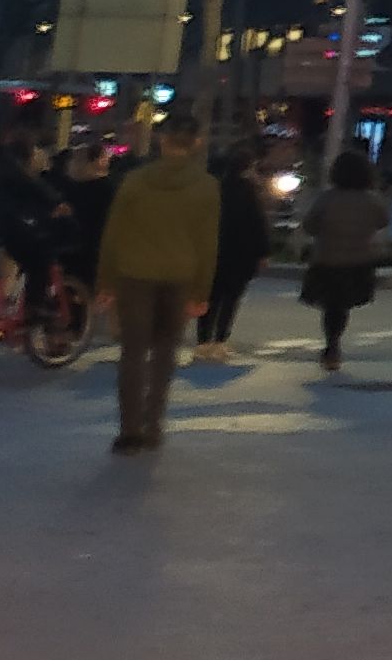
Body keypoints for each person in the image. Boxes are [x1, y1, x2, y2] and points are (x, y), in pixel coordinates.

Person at [96, 114, 218, 453]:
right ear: (196, 143)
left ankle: (129, 430)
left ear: (162, 141)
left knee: (132, 353)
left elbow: (113, 234)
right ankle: (153, 425)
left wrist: (106, 282)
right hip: (179, 277)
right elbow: (207, 244)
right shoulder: (207, 187)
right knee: (165, 353)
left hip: (134, 275)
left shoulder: (134, 181)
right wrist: (201, 292)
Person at [301, 147, 391, 371]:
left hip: (327, 259)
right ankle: (334, 345)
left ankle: (331, 345)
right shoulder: (371, 200)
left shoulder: (327, 198)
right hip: (358, 260)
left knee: (331, 305)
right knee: (343, 306)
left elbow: (310, 225)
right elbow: (383, 220)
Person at [196, 147, 269, 361]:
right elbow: (257, 223)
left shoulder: (216, 187)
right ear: (248, 167)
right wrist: (263, 252)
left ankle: (203, 342)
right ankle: (220, 341)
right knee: (231, 299)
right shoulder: (249, 191)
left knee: (211, 297)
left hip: (215, 250)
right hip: (241, 253)